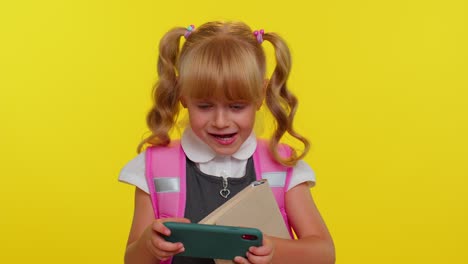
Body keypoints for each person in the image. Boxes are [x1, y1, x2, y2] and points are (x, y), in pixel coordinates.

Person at [119, 21, 335, 264]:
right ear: (183, 96)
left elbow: (324, 254)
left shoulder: (283, 165)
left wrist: (274, 250)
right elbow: (132, 260)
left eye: (236, 106)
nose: (221, 121)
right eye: (205, 106)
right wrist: (149, 244)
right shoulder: (153, 168)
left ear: (260, 95)